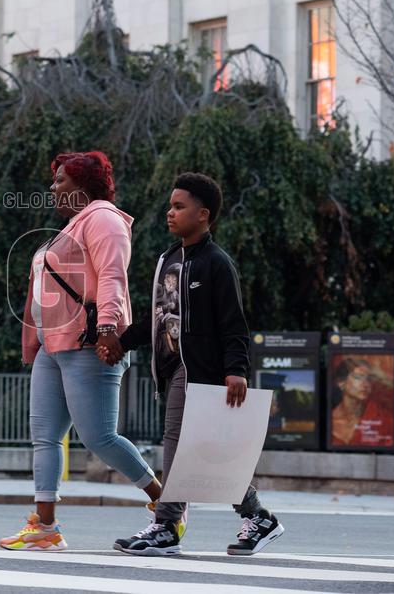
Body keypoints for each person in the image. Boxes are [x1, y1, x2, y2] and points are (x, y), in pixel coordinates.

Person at [101, 172, 284, 557]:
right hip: (172, 367)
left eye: (179, 206)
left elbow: (233, 323)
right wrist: (122, 342)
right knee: (203, 452)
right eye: (170, 205)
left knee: (179, 443)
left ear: (203, 215)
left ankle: (167, 524)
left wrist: (236, 370)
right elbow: (157, 317)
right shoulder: (168, 260)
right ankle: (257, 515)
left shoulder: (217, 263)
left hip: (202, 369)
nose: (170, 212)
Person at [0, 151, 163, 552]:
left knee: (99, 437)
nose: (52, 187)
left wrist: (108, 328)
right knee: (45, 437)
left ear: (83, 185)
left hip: (88, 343)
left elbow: (112, 275)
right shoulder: (69, 228)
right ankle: (45, 526)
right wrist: (32, 341)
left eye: (60, 180)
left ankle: (167, 502)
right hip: (52, 347)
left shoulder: (103, 218)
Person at [331, 358, 394, 447]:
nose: (366, 384)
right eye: (358, 377)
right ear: (341, 383)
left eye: (369, 379)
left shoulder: (384, 418)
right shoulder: (328, 420)